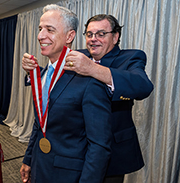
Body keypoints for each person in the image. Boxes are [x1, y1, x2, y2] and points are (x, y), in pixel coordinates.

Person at [20, 4, 113, 183]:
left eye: (50, 29)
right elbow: (40, 122)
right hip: (40, 166)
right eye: (40, 29)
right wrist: (29, 159)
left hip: (70, 175)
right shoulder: (43, 74)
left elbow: (99, 146)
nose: (40, 36)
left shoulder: (90, 79)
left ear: (70, 36)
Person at [63, 14, 154, 182]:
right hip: (75, 147)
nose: (93, 39)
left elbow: (143, 87)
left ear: (115, 37)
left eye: (101, 34)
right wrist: (33, 73)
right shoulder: (78, 55)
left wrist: (92, 68)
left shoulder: (131, 57)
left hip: (112, 152)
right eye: (89, 34)